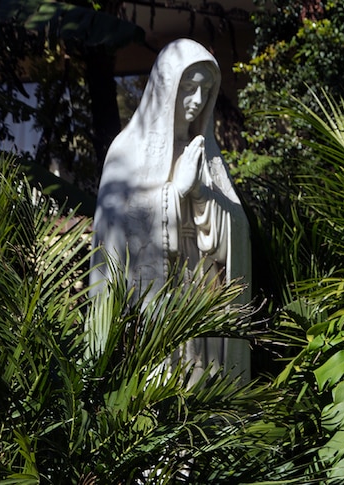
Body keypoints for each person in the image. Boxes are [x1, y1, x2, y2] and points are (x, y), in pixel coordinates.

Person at [90, 38, 252, 383]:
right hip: (161, 297)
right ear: (166, 89)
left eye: (205, 91)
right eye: (188, 88)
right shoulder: (127, 151)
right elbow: (115, 230)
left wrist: (200, 195)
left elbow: (238, 226)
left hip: (201, 292)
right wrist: (174, 192)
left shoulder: (206, 154)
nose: (196, 101)